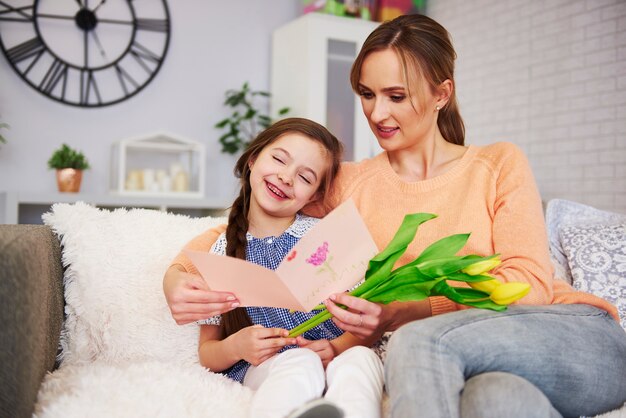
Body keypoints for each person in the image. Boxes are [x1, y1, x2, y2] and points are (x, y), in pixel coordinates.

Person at [164, 14, 626, 418]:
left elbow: (528, 286)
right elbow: (245, 225)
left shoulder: (497, 163)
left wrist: (401, 314)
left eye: (396, 96)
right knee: (494, 401)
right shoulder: (345, 183)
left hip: (569, 337)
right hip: (481, 369)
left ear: (441, 93)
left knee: (417, 340)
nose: (376, 113)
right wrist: (176, 278)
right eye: (366, 94)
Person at [164, 118, 383, 418]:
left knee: (361, 359)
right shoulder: (222, 253)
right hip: (266, 366)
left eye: (305, 178)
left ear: (315, 196)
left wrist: (338, 347)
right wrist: (237, 347)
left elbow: (366, 320)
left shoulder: (327, 238)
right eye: (279, 159)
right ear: (253, 159)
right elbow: (208, 352)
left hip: (336, 353)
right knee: (298, 362)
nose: (286, 177)